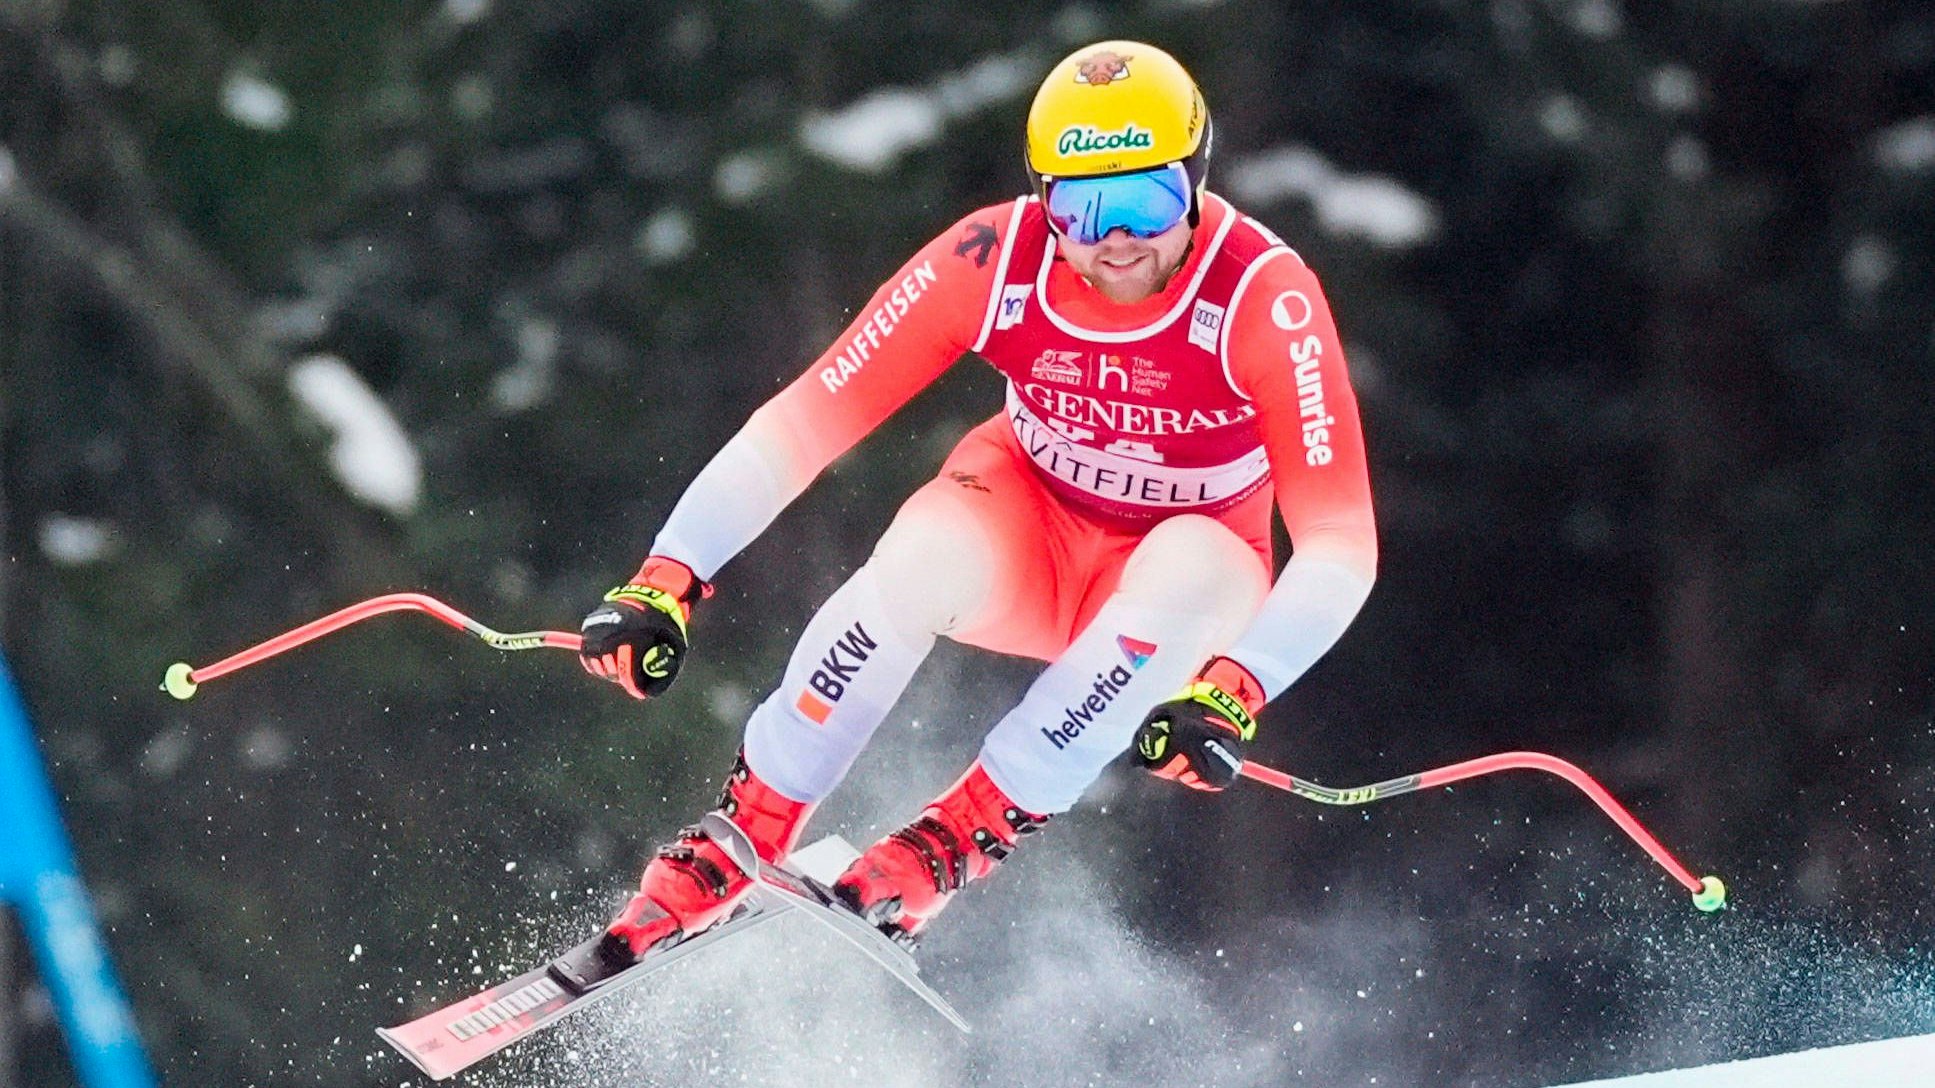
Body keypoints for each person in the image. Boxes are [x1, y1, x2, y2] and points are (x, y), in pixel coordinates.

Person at [577, 40, 1377, 958]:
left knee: (1196, 565)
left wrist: (1239, 684)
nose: (1116, 239)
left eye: (1147, 201)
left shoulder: (1261, 297)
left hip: (1177, 582)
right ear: (1042, 200)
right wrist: (668, 574)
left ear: (1196, 181)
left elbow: (1340, 541)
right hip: (1025, 531)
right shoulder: (993, 258)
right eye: (1082, 209)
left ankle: (952, 841)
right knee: (920, 555)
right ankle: (745, 831)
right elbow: (806, 420)